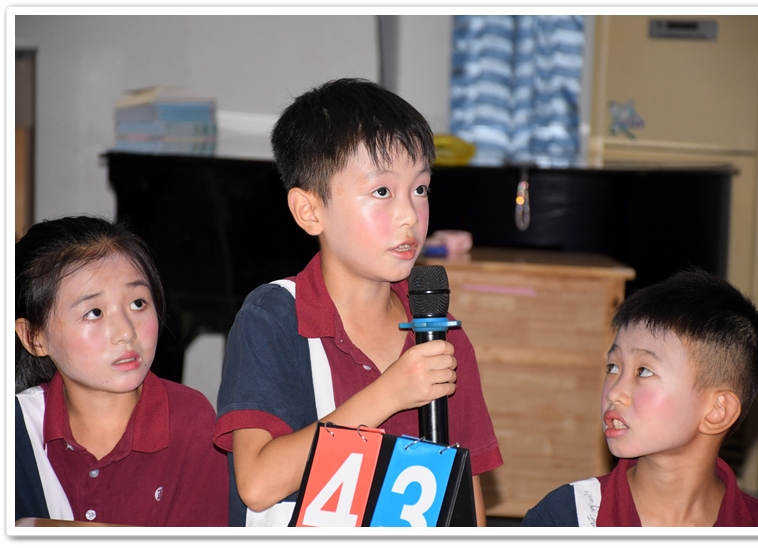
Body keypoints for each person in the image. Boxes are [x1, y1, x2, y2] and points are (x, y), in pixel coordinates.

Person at [214, 78, 503, 527]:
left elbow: (464, 499)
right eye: (382, 192)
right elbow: (258, 484)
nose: (409, 215)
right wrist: (389, 394)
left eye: (420, 189)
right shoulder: (273, 318)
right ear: (310, 211)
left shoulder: (440, 335)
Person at [15, 215, 229, 526]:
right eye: (94, 312)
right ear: (34, 338)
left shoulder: (190, 420)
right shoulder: (18, 428)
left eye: (138, 304)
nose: (126, 332)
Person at [521, 268, 758, 527]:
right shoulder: (565, 517)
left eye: (643, 371)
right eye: (613, 367)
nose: (614, 393)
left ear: (717, 411)